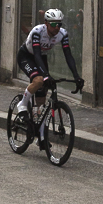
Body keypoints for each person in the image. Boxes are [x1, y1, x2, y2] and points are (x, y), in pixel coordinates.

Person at [15, 10, 83, 149]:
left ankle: (41, 136)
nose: (56, 27)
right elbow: (37, 55)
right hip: (27, 56)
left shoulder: (62, 34)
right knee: (39, 80)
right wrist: (45, 75)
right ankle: (22, 104)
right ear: (46, 23)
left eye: (59, 24)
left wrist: (76, 76)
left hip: (42, 57)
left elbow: (68, 55)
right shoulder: (37, 31)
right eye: (53, 24)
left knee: (42, 101)